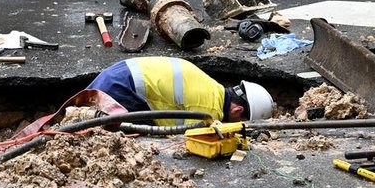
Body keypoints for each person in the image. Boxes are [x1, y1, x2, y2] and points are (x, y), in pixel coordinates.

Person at [85, 57, 274, 125]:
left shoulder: (210, 87)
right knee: (141, 138)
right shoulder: (208, 110)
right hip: (120, 90)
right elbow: (185, 136)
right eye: (241, 122)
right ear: (238, 111)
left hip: (113, 76)